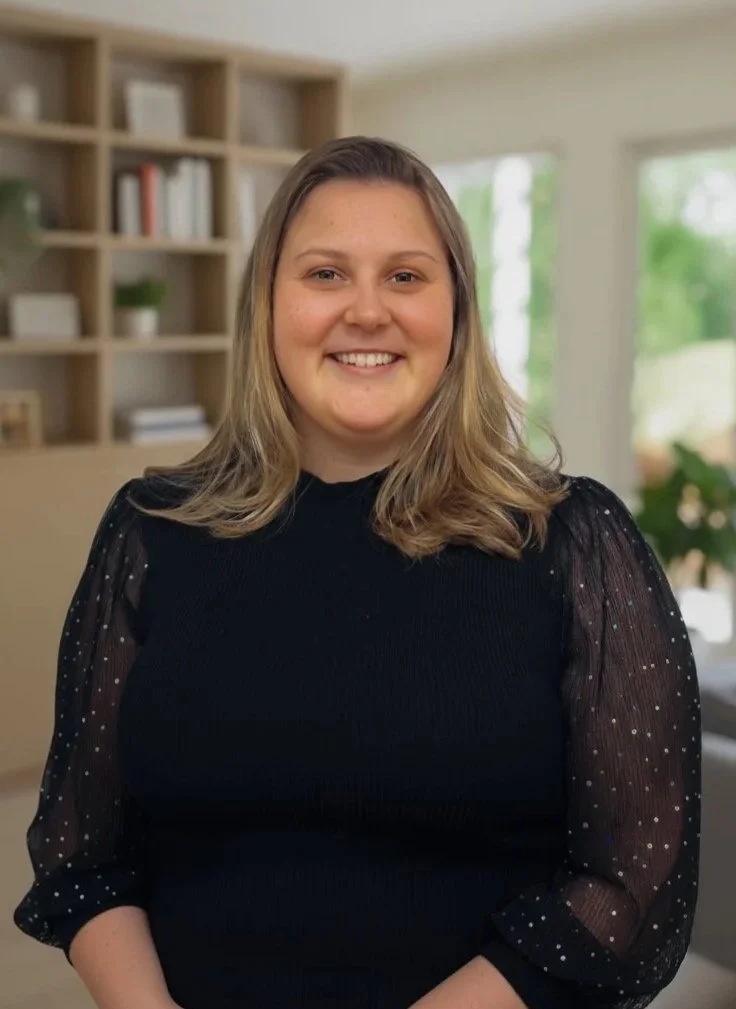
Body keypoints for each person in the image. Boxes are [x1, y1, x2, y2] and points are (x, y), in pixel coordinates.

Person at [13, 136, 700, 1009]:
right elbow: (82, 855)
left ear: (458, 310)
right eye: (326, 273)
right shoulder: (150, 532)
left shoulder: (572, 542)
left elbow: (632, 885)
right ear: (266, 303)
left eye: (406, 276)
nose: (366, 311)